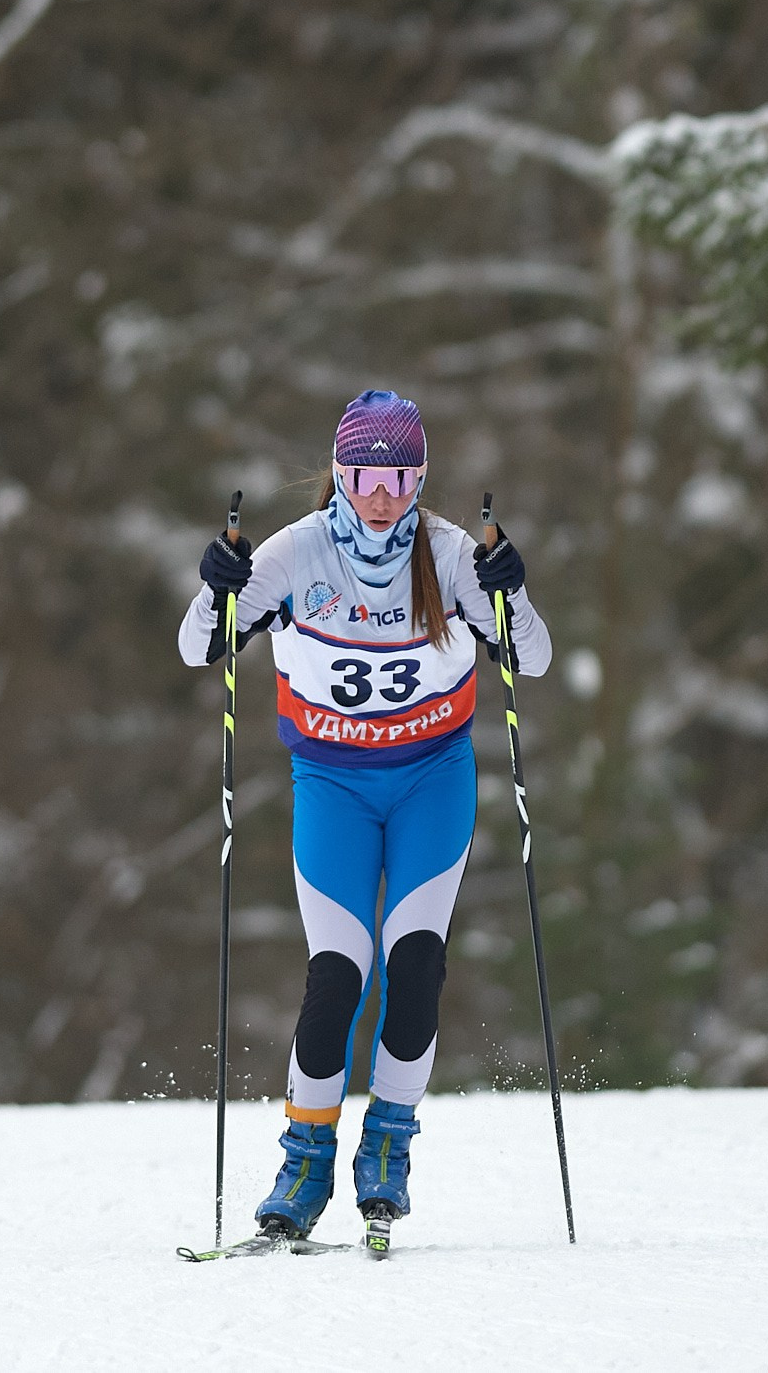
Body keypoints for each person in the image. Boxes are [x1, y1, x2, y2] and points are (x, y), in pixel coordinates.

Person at [178, 388, 550, 1243]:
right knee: (337, 975)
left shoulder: (450, 553)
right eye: (364, 474)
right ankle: (304, 1162)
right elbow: (202, 647)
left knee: (414, 965)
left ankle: (388, 1142)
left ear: (419, 475)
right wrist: (216, 588)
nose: (381, 494)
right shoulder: (295, 553)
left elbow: (532, 657)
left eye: (399, 475)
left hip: (432, 778)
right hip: (334, 783)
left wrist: (511, 592)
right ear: (339, 473)